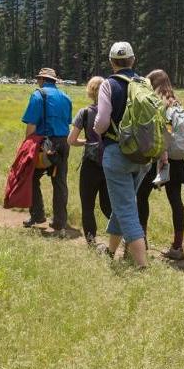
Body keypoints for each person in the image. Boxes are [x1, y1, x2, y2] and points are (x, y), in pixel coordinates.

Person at [93, 42, 151, 268]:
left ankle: (141, 265)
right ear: (133, 60)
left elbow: (102, 123)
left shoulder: (108, 84)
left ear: (111, 62)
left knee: (126, 208)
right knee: (123, 202)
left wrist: (97, 128)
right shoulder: (144, 82)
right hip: (144, 154)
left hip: (117, 152)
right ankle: (110, 251)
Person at [134, 69, 184, 261]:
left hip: (159, 158)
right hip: (178, 162)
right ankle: (177, 246)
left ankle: (141, 240)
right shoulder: (177, 103)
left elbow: (164, 131)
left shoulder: (160, 104)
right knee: (175, 200)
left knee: (141, 195)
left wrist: (161, 155)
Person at [22, 67, 73, 231]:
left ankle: (38, 215)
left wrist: (26, 146)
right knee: (59, 183)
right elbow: (68, 121)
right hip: (63, 143)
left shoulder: (38, 95)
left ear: (42, 80)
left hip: (44, 145)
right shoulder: (66, 97)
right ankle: (60, 221)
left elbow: (31, 124)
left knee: (31, 177)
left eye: (39, 79)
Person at [68, 76, 112, 245]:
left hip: (90, 164)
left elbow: (71, 140)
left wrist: (86, 142)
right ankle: (125, 235)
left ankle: (91, 241)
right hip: (109, 162)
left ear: (90, 92)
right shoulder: (112, 113)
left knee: (87, 205)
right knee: (108, 206)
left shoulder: (84, 113)